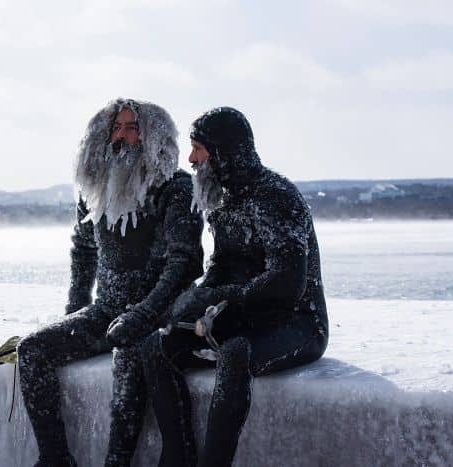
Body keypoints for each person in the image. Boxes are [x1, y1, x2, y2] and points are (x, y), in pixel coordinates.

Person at [16, 98, 204, 467]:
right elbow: (83, 249)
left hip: (160, 316)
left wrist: (146, 313)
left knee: (129, 361)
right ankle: (55, 458)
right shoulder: (96, 189)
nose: (122, 136)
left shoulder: (175, 188)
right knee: (32, 350)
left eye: (133, 128)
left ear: (153, 137)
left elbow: (184, 262)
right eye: (116, 128)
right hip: (108, 310)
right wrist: (74, 308)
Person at [141, 107, 329, 467]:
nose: (192, 158)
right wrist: (195, 299)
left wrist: (223, 298)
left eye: (198, 148)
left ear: (223, 150)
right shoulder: (222, 199)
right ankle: (177, 456)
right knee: (158, 345)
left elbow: (288, 282)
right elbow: (222, 266)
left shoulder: (275, 197)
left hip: (299, 323)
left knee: (236, 351)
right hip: (243, 315)